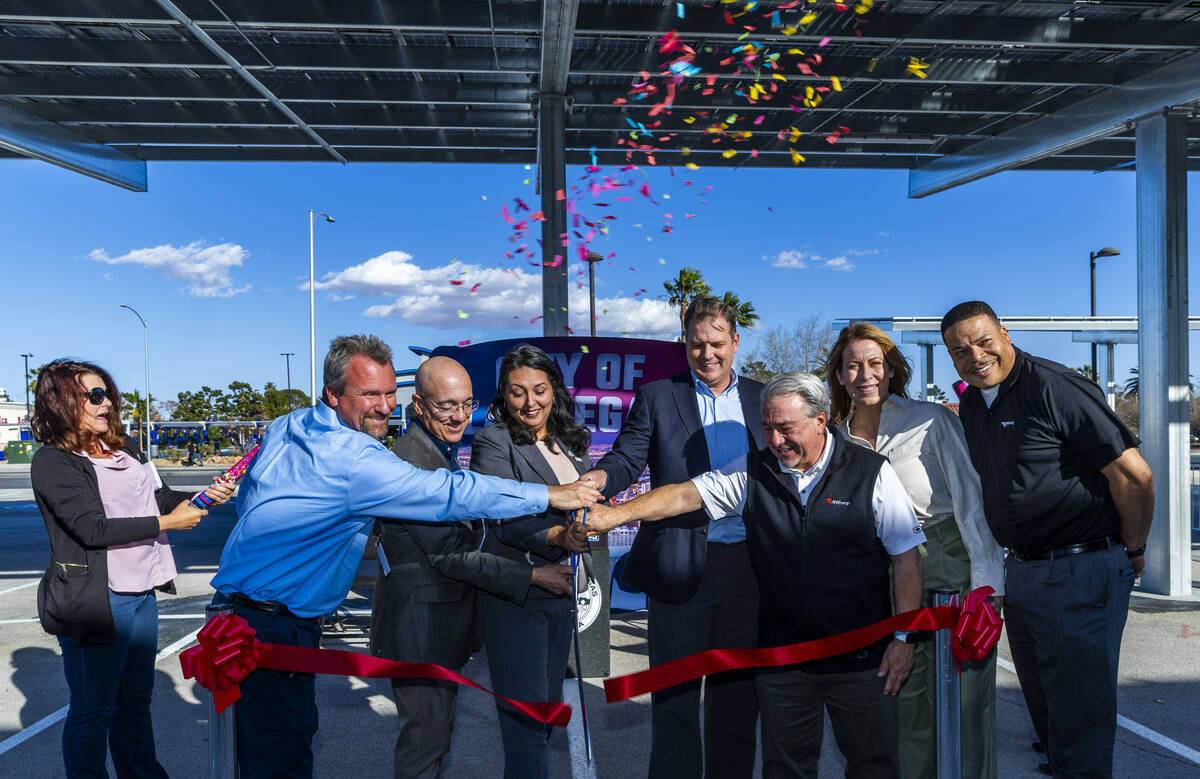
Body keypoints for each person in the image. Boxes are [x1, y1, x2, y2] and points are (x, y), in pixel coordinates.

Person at [209, 335, 600, 778]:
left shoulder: (288, 424)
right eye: (369, 394)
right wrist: (549, 494)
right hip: (276, 624)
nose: (382, 405)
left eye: (389, 392)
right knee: (284, 757)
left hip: (248, 615)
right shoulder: (362, 458)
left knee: (273, 745)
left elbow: (250, 500)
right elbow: (450, 495)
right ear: (334, 393)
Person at [583, 372, 925, 778]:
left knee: (873, 766)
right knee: (785, 768)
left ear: (821, 420)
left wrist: (904, 639)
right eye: (767, 429)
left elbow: (906, 558)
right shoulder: (751, 470)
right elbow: (684, 494)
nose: (776, 441)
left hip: (860, 661)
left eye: (786, 428)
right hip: (783, 664)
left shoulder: (871, 472)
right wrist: (615, 515)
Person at [940, 301, 1153, 778]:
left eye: (983, 341)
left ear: (1005, 334)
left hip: (1079, 568)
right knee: (1047, 711)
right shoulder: (975, 402)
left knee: (1080, 718)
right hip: (1025, 571)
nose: (974, 355)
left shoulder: (1055, 387)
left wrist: (1133, 550)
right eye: (959, 350)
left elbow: (1134, 476)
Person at [580, 296, 764, 778]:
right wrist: (600, 482)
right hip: (679, 566)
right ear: (683, 343)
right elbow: (626, 458)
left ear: (735, 342)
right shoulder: (658, 396)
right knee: (676, 703)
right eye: (696, 344)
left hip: (751, 570)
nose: (707, 354)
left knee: (737, 701)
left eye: (717, 344)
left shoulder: (764, 400)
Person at [370, 356, 574, 779]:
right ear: (420, 405)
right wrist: (533, 575)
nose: (459, 415)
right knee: (425, 744)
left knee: (433, 739)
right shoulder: (412, 460)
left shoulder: (436, 450)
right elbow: (449, 553)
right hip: (419, 631)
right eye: (446, 406)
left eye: (466, 404)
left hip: (436, 626)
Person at [29, 359, 234, 778]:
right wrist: (169, 523)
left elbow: (156, 499)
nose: (108, 404)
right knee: (94, 707)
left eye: (109, 395)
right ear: (63, 401)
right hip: (98, 600)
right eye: (95, 396)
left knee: (134, 701)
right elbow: (91, 528)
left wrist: (205, 496)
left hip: (142, 590)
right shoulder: (53, 461)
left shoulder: (126, 449)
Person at [825, 323, 1005, 779]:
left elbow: (971, 502)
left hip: (949, 561)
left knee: (964, 702)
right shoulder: (837, 441)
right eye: (852, 366)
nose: (865, 374)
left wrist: (988, 587)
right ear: (840, 376)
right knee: (903, 702)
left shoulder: (931, 419)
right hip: (883, 575)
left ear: (890, 370)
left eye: (874, 363)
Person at [469, 345, 594, 779]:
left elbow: (583, 507)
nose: (530, 403)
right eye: (517, 392)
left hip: (560, 599)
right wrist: (560, 534)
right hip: (518, 601)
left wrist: (589, 524)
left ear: (554, 391)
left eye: (539, 390)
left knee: (543, 719)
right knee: (525, 726)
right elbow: (505, 516)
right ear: (504, 396)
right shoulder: (493, 441)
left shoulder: (571, 443)